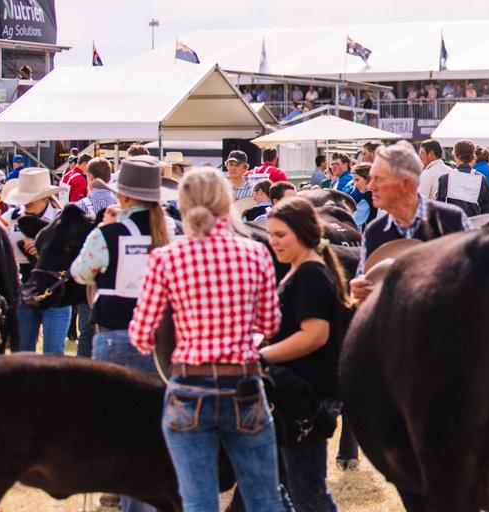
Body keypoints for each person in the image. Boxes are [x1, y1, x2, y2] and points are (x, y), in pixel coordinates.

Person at [129, 166, 286, 512]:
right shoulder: (254, 252)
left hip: (188, 385)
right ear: (227, 201)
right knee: (264, 498)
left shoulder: (166, 258)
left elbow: (141, 335)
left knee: (198, 500)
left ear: (183, 204)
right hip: (243, 382)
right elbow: (271, 324)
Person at [69, 158, 173, 512]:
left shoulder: (107, 233)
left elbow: (81, 273)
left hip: (115, 334)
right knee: (156, 431)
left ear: (124, 198)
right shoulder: (169, 231)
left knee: (123, 433)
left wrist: (106, 226)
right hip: (161, 340)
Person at [261, 197, 352, 512]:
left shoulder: (310, 274)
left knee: (307, 493)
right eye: (271, 234)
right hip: (294, 393)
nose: (273, 242)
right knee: (287, 488)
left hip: (306, 396)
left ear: (302, 232)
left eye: (280, 235)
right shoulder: (303, 269)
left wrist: (262, 355)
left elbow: (314, 336)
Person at [351, 141, 471, 301]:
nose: (371, 186)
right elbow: (363, 280)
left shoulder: (452, 220)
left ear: (405, 184)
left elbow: (475, 278)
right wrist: (357, 289)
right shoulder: (374, 232)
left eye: (378, 179)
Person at [4, 168, 69, 354]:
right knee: (23, 353)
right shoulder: (11, 219)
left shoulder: (61, 220)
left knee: (54, 353)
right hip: (24, 290)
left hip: (57, 292)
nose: (26, 202)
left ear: (44, 197)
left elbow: (74, 260)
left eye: (30, 196)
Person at [435, 139, 489, 217]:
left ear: (455, 155)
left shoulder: (445, 178)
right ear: (473, 156)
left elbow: (439, 208)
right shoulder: (482, 179)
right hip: (474, 226)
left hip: (452, 226)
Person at [351, 163, 374, 227]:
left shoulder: (368, 196)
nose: (355, 184)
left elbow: (354, 222)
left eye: (357, 180)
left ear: (367, 178)